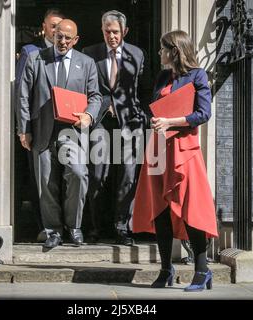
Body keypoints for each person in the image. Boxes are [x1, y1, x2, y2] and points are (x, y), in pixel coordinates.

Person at [132, 30, 218, 291]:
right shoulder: (162, 76)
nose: (160, 53)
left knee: (190, 207)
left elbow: (203, 113)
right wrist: (156, 120)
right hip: (158, 148)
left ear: (175, 51)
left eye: (163, 48)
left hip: (183, 149)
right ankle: (166, 269)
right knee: (160, 209)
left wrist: (170, 121)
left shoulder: (198, 75)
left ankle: (202, 271)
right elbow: (157, 107)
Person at [16, 19, 102, 249]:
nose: (62, 41)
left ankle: (74, 226)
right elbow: (23, 96)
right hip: (42, 130)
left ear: (76, 40)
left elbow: (96, 97)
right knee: (46, 182)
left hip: (72, 131)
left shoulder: (86, 63)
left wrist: (89, 116)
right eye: (59, 36)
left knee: (77, 173)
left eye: (67, 38)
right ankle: (52, 230)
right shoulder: (36, 59)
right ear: (52, 34)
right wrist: (24, 129)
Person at [83, 10, 147, 246]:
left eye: (116, 32)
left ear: (125, 32)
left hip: (130, 123)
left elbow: (143, 88)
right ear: (102, 30)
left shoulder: (137, 55)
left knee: (128, 176)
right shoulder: (90, 54)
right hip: (100, 121)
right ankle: (95, 227)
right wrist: (104, 107)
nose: (111, 36)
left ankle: (122, 227)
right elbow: (87, 89)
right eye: (108, 31)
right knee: (97, 174)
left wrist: (143, 116)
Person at [15, 9, 64, 242]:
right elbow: (22, 93)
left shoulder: (72, 54)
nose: (57, 31)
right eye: (53, 26)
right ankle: (42, 225)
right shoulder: (30, 51)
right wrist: (23, 127)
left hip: (65, 128)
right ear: (43, 27)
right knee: (40, 179)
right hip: (37, 127)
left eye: (60, 26)